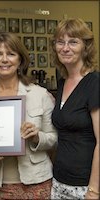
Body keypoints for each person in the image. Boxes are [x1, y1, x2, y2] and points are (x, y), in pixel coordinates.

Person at [0, 32, 57, 199]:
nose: (4, 59)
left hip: (36, 183)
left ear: (20, 60)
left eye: (11, 54)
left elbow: (55, 139)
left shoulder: (40, 95)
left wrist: (36, 137)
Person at [50, 18, 99, 199]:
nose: (65, 48)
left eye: (73, 42)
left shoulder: (95, 83)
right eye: (60, 42)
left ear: (85, 46)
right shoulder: (63, 83)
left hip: (85, 186)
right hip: (59, 181)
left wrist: (94, 191)